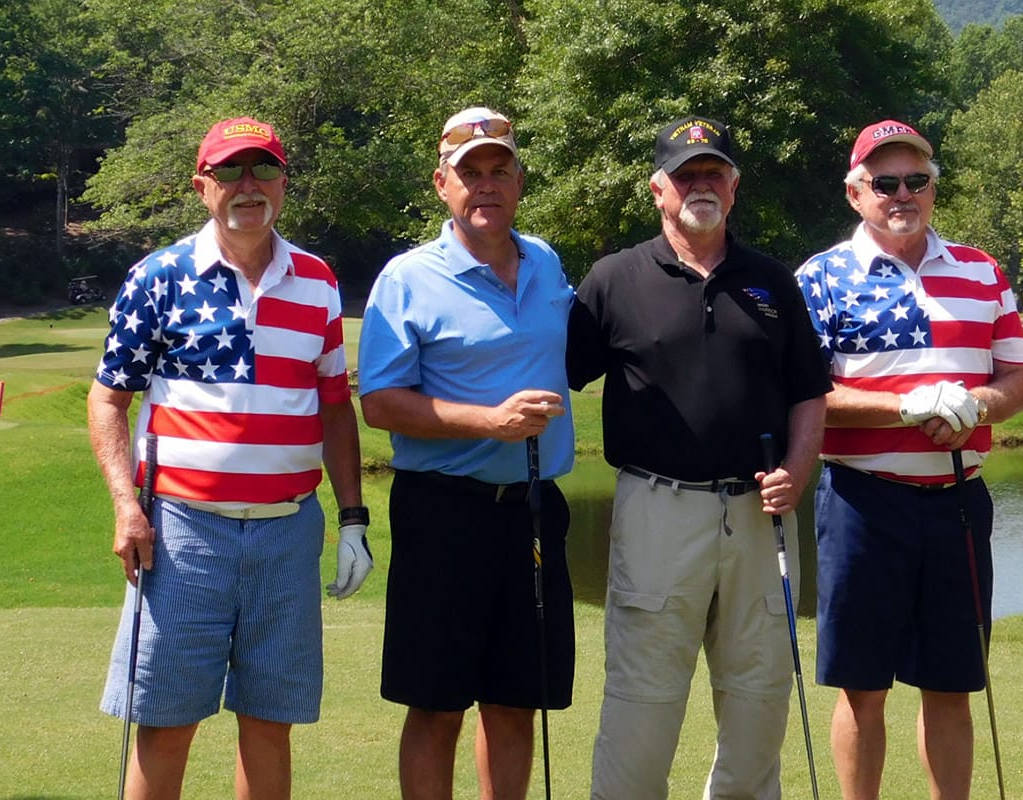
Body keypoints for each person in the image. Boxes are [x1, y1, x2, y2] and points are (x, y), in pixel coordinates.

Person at [88, 116, 372, 800]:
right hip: (183, 532)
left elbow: (334, 404)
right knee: (165, 722)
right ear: (201, 186)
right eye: (231, 172)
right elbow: (108, 401)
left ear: (283, 182)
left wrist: (354, 518)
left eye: (264, 170)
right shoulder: (160, 277)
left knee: (270, 721)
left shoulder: (317, 281)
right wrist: (127, 507)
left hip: (287, 528)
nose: (250, 187)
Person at [569, 115, 832, 799]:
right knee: (641, 707)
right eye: (687, 175)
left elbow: (810, 393)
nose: (701, 185)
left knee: (758, 699)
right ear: (658, 189)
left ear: (735, 187)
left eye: (714, 173)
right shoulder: (614, 279)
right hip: (657, 508)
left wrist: (799, 470)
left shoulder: (771, 281)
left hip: (759, 516)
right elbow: (555, 372)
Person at [793, 119, 1023, 799]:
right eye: (885, 182)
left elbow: (1019, 381)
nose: (903, 194)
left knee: (950, 683)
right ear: (855, 192)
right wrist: (903, 407)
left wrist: (976, 407)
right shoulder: (821, 277)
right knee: (862, 686)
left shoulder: (980, 270)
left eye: (917, 181)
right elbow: (805, 395)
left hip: (957, 501)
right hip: (863, 501)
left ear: (933, 187)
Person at [358, 107, 576, 800]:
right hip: (443, 514)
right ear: (441, 184)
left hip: (537, 513)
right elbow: (381, 402)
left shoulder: (545, 260)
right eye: (469, 173)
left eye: (499, 171)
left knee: (517, 698)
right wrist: (491, 422)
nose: (486, 186)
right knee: (437, 701)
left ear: (519, 180)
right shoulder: (407, 278)